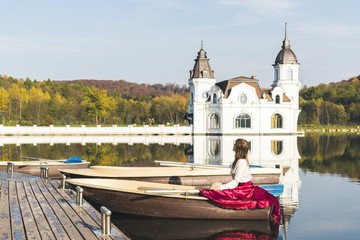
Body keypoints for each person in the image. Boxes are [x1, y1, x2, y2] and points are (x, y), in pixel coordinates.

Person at [199, 138, 281, 223]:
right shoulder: (239, 160)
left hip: (244, 190)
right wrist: (221, 186)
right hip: (241, 187)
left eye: (235, 144)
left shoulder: (241, 162)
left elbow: (235, 181)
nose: (233, 146)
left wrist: (221, 187)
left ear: (238, 148)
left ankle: (209, 203)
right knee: (216, 184)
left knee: (216, 189)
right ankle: (209, 201)